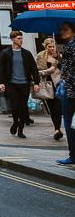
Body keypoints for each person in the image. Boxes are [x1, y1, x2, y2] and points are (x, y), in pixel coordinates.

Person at [0, 30, 40, 139]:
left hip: (24, 83)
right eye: (18, 38)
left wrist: (36, 82)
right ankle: (15, 122)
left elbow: (33, 68)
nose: (21, 40)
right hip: (12, 84)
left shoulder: (26, 53)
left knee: (23, 107)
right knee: (15, 107)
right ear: (12, 39)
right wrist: (1, 83)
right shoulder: (6, 53)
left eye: (21, 38)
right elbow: (1, 69)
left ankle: (21, 129)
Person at [36, 38, 63, 141]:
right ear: (45, 46)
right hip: (47, 85)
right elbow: (38, 68)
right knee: (51, 108)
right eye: (49, 46)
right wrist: (44, 72)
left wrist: (57, 59)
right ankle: (56, 128)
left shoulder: (59, 56)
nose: (52, 48)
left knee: (58, 108)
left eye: (53, 46)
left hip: (58, 84)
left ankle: (57, 129)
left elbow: (63, 67)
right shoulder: (40, 56)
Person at [57, 21, 75, 166]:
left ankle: (73, 155)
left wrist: (65, 75)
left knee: (69, 123)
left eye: (65, 29)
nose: (62, 32)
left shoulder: (70, 47)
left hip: (71, 92)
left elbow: (70, 71)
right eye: (61, 30)